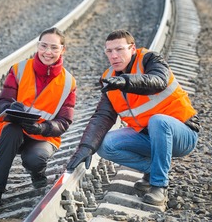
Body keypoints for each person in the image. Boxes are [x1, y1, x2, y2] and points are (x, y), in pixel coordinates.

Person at [66, 29, 200, 206]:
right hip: (149, 138)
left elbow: (158, 80)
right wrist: (86, 147)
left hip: (182, 134)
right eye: (109, 51)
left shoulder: (150, 59)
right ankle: (155, 169)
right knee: (104, 145)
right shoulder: (109, 78)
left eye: (119, 49)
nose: (114, 55)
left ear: (132, 48)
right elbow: (103, 116)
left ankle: (159, 186)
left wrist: (126, 81)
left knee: (158, 121)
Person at [0, 27, 77, 210]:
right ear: (37, 46)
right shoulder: (19, 69)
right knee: (10, 131)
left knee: (34, 159)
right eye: (44, 46)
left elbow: (64, 121)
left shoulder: (68, 82)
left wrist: (41, 128)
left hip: (43, 135)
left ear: (62, 50)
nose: (48, 52)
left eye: (54, 48)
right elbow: (3, 102)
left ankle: (38, 174)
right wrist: (10, 108)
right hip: (16, 128)